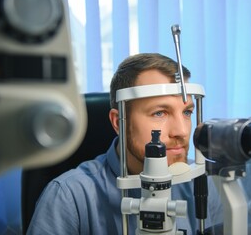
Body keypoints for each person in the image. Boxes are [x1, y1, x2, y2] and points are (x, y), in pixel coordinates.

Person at [27, 53, 223, 234]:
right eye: (159, 113)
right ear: (118, 122)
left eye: (187, 112)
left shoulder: (199, 181)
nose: (181, 131)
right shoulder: (68, 197)